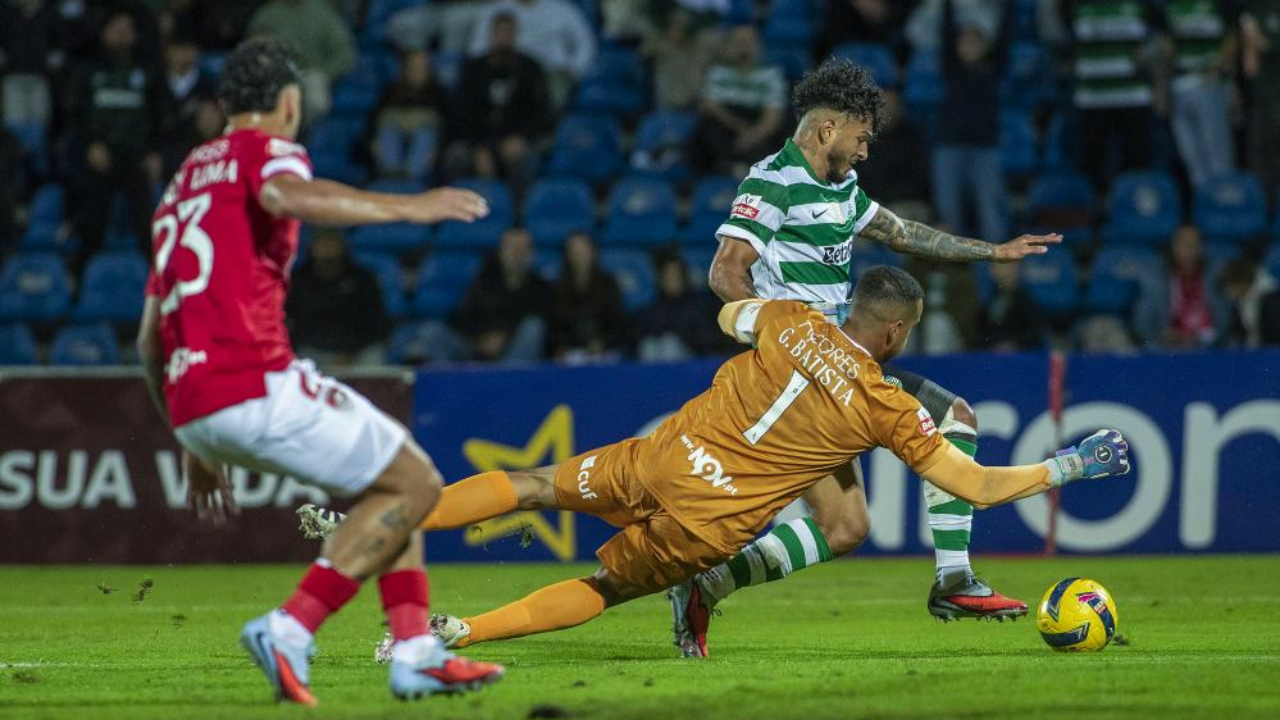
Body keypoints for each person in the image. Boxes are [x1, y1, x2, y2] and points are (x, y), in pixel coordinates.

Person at [417, 269, 1130, 651]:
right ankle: (463, 632)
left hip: (664, 457)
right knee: (604, 586)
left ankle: (400, 518)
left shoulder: (792, 319)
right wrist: (1069, 466)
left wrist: (766, 322)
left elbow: (730, 315)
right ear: (895, 333)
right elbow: (973, 484)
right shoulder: (884, 405)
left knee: (532, 485)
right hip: (708, 520)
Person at [134, 38, 503, 706]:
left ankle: (415, 652)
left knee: (393, 482)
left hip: (193, 398)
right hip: (252, 376)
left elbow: (147, 342)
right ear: (289, 103)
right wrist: (407, 206)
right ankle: (290, 627)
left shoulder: (181, 186)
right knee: (417, 483)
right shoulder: (266, 152)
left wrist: (193, 439)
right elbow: (284, 194)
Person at [690, 58, 1064, 656]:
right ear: (827, 128)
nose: (865, 152)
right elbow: (725, 272)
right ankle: (953, 580)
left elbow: (903, 233)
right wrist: (776, 339)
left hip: (843, 368)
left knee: (848, 526)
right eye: (861, 138)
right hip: (801, 377)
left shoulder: (841, 187)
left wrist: (992, 252)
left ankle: (709, 585)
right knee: (943, 427)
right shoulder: (773, 182)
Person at [67, 10, 167, 279]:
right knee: (91, 221)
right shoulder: (88, 70)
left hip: (136, 159)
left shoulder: (146, 70)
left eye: (128, 29)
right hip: (100, 158)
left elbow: (159, 115)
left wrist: (155, 152)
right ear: (104, 32)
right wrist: (90, 145)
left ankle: (160, 283)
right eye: (117, 28)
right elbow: (75, 115)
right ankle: (79, 280)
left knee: (148, 223)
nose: (123, 35)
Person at [1059, 0, 1166, 189]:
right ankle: (1098, 205)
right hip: (1091, 99)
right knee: (1092, 169)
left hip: (1133, 97)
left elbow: (1163, 35)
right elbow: (1056, 33)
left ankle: (1135, 205)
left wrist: (1150, 53)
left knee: (1136, 168)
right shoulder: (1073, 3)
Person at [931, 0, 1014, 244]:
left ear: (986, 45)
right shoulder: (950, 68)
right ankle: (952, 265)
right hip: (950, 147)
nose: (969, 43)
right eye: (964, 39)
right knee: (948, 214)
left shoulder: (994, 69)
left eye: (975, 39)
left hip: (984, 149)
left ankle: (996, 263)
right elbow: (946, 30)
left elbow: (1006, 32)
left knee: (991, 213)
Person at [445, 12, 552, 189]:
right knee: (456, 156)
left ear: (516, 35)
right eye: (499, 32)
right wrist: (477, 147)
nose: (504, 37)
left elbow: (542, 111)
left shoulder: (530, 69)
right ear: (491, 34)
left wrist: (522, 137)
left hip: (516, 138)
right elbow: (461, 112)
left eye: (508, 32)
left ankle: (518, 206)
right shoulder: (474, 68)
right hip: (478, 138)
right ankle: (455, 204)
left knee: (522, 158)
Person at [286, 228, 393, 368]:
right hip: (312, 349)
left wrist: (350, 351)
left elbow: (377, 321)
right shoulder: (297, 280)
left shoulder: (363, 278)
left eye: (332, 243)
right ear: (311, 247)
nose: (327, 249)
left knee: (374, 354)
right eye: (322, 243)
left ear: (343, 246)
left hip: (359, 350)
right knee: (298, 357)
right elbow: (289, 321)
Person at [692, 24, 787, 175]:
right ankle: (727, 166)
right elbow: (710, 105)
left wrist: (752, 136)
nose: (744, 48)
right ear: (729, 46)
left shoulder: (770, 74)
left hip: (757, 125)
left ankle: (738, 166)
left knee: (783, 128)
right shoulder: (719, 72)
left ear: (758, 47)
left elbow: (773, 117)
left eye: (749, 43)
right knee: (706, 124)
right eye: (739, 43)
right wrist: (737, 125)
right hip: (728, 123)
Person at [467, 0, 596, 109]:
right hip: (509, 71)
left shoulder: (561, 9)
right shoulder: (496, 9)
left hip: (550, 72)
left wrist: (575, 69)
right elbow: (477, 47)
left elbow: (585, 41)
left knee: (550, 101)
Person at [1164, 0, 1237, 189]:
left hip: (1209, 84)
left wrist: (1220, 67)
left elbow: (1232, 36)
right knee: (1189, 154)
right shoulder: (1171, 5)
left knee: (1216, 152)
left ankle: (1223, 198)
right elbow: (1167, 42)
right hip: (1180, 85)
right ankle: (1204, 200)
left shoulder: (1220, 4)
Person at [450, 226, 549, 362]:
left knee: (533, 327)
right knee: (432, 331)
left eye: (522, 248)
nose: (517, 254)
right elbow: (462, 318)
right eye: (512, 248)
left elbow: (544, 322)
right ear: (501, 251)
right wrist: (482, 338)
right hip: (477, 351)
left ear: (531, 254)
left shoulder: (540, 287)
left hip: (515, 354)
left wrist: (505, 336)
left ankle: (511, 376)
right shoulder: (484, 281)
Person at [247, 0, 356, 122]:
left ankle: (307, 132)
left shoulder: (323, 13)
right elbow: (252, 50)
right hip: (277, 75)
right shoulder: (268, 14)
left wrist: (324, 73)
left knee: (315, 94)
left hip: (312, 75)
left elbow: (344, 53)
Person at [546, 232, 627, 361]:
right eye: (574, 251)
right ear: (567, 255)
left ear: (594, 253)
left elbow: (618, 324)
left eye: (583, 250)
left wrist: (602, 343)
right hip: (570, 354)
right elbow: (554, 328)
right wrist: (562, 347)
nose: (579, 255)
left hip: (605, 352)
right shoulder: (557, 289)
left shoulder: (609, 285)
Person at [369, 49, 447, 182]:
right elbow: (374, 120)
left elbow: (449, 125)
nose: (417, 71)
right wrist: (372, 141)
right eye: (413, 67)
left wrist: (439, 149)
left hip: (427, 147)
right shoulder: (392, 90)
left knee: (425, 133)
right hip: (394, 137)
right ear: (405, 69)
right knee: (388, 129)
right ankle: (391, 173)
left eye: (422, 68)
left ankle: (411, 176)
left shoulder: (439, 93)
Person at [633, 253, 725, 361]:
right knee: (649, 346)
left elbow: (706, 342)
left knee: (670, 345)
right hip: (656, 359)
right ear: (660, 279)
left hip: (691, 362)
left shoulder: (700, 306)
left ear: (684, 277)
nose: (672, 280)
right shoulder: (650, 311)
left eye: (676, 275)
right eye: (667, 276)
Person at [1242, 1, 1280, 205]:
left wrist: (1253, 36)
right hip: (1260, 96)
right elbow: (1249, 67)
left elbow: (1269, 45)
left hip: (1277, 94)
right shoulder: (1255, 9)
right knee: (1258, 149)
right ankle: (1265, 204)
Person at [977, 261, 1045, 350]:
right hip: (992, 353)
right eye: (995, 266)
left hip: (1020, 354)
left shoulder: (1027, 300)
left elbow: (1035, 333)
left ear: (1016, 268)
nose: (996, 270)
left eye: (1003, 266)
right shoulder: (990, 299)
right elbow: (981, 333)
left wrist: (1014, 345)